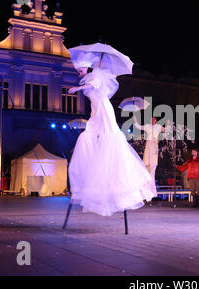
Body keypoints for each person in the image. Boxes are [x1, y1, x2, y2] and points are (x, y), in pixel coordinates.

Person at [67, 54, 156, 217]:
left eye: (80, 69)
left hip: (103, 108)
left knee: (110, 137)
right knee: (89, 136)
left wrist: (77, 89)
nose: (78, 71)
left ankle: (121, 184)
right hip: (95, 110)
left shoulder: (95, 75)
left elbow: (93, 85)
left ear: (86, 66)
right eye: (77, 70)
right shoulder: (90, 75)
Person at [133, 115, 166, 184]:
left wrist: (162, 137)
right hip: (148, 143)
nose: (152, 121)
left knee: (153, 162)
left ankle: (151, 174)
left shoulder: (158, 126)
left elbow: (166, 130)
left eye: (153, 119)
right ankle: (147, 170)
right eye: (151, 119)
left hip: (154, 143)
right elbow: (138, 126)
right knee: (147, 161)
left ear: (155, 120)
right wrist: (135, 119)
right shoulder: (147, 126)